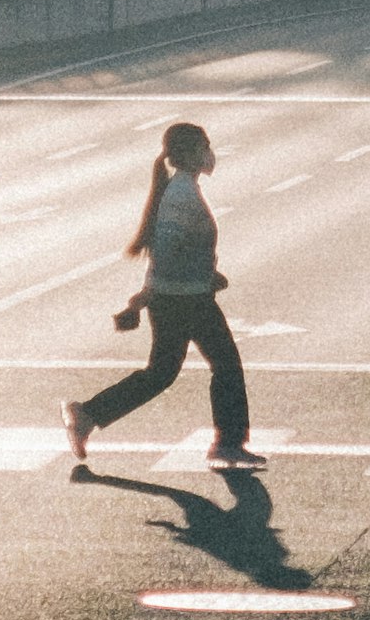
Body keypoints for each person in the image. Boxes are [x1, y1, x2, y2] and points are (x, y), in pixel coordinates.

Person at [66, 119, 255, 475]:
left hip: (182, 297)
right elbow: (167, 254)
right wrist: (148, 297)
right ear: (188, 154)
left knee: (162, 374)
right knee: (224, 365)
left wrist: (203, 275)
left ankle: (88, 415)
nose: (209, 154)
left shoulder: (181, 189)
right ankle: (228, 443)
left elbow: (174, 252)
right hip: (184, 301)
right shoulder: (182, 195)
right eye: (204, 147)